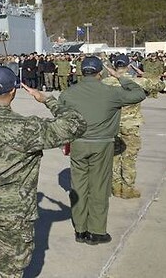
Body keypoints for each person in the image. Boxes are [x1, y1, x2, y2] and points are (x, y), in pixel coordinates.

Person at [0, 66, 87, 278]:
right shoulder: (27, 128)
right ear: (13, 92)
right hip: (16, 212)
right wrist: (48, 100)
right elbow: (76, 124)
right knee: (10, 270)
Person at [59, 56, 146, 245]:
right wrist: (119, 77)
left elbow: (60, 114)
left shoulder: (68, 93)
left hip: (79, 143)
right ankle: (96, 231)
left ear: (82, 71)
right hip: (102, 143)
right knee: (99, 186)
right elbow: (138, 93)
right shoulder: (111, 92)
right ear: (100, 72)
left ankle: (80, 230)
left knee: (79, 186)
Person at [102, 54, 165, 199]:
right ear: (128, 65)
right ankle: (128, 188)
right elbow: (160, 85)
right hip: (130, 125)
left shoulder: (105, 82)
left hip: (112, 124)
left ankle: (116, 187)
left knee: (115, 156)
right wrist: (145, 74)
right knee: (129, 157)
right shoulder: (137, 81)